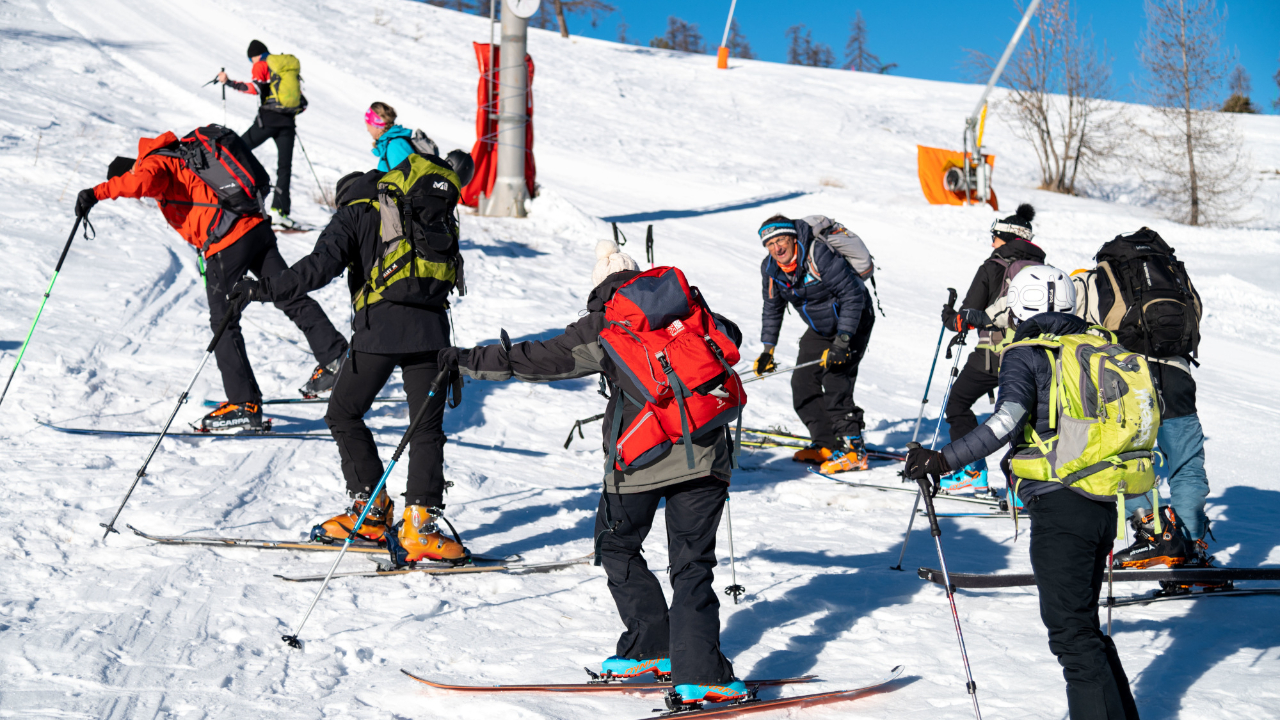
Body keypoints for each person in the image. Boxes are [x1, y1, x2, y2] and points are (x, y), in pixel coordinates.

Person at [433, 241, 750, 705]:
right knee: (692, 565)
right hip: (705, 456)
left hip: (638, 462)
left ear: (599, 286)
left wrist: (463, 360)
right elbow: (731, 338)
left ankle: (652, 644)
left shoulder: (605, 323)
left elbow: (535, 359)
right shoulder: (688, 308)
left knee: (616, 543)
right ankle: (702, 673)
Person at [906, 265, 1144, 720]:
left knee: (1071, 636)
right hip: (1102, 500)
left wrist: (941, 460)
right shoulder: (1098, 346)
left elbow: (1005, 421)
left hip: (1061, 505)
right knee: (1082, 628)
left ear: (1019, 306)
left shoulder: (1028, 353)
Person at [231, 148, 474, 562]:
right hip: (433, 333)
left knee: (343, 413)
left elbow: (316, 269)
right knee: (424, 429)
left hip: (378, 332)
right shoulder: (418, 206)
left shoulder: (354, 214)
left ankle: (372, 510)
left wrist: (262, 289)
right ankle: (420, 526)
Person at [74, 136, 348, 432]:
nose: (141, 196)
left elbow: (141, 182)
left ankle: (244, 404)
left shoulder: (152, 163)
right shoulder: (181, 156)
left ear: (131, 169)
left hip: (227, 241)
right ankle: (335, 358)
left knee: (223, 321)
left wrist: (96, 193)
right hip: (254, 227)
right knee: (287, 293)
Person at [1071, 228, 1210, 570]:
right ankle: (1192, 546)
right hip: (1178, 375)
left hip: (1131, 379)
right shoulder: (1173, 273)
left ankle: (1157, 533)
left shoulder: (1101, 278)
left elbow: (1081, 326)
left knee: (1129, 458)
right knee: (1187, 464)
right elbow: (1196, 314)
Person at [754, 215, 875, 474]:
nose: (778, 248)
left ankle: (853, 449)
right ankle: (827, 444)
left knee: (835, 380)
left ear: (793, 238)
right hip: (821, 327)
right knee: (802, 382)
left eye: (782, 240)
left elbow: (852, 296)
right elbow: (772, 308)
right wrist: (768, 349)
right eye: (770, 244)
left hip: (853, 320)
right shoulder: (771, 269)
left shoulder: (817, 255)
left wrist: (843, 341)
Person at [939, 203, 1043, 497]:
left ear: (1008, 239)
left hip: (992, 355)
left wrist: (949, 315)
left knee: (958, 404)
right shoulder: (1043, 268)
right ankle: (1025, 486)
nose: (991, 242)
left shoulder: (992, 266)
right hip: (1035, 355)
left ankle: (971, 472)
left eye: (995, 236)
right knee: (1025, 417)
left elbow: (966, 317)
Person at [218, 40, 305, 228]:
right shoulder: (284, 68)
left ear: (254, 56)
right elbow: (303, 104)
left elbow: (255, 88)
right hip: (287, 123)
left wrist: (229, 82)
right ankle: (280, 212)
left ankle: (224, 193)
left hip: (268, 120)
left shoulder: (261, 65)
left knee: (236, 149)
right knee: (284, 168)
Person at [365, 102, 415, 172]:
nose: (368, 129)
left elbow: (408, 179)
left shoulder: (395, 146)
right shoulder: (389, 144)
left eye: (368, 125)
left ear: (376, 126)